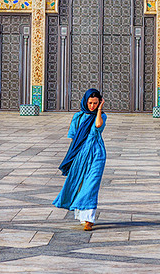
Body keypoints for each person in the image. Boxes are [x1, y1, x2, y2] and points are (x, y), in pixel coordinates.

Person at [53, 88, 106, 231]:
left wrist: (99, 110)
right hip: (80, 155)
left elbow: (98, 126)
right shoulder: (78, 117)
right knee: (80, 183)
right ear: (85, 101)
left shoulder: (101, 116)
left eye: (95, 103)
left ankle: (89, 219)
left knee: (92, 184)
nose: (92, 106)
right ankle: (83, 216)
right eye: (90, 103)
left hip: (96, 154)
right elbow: (73, 138)